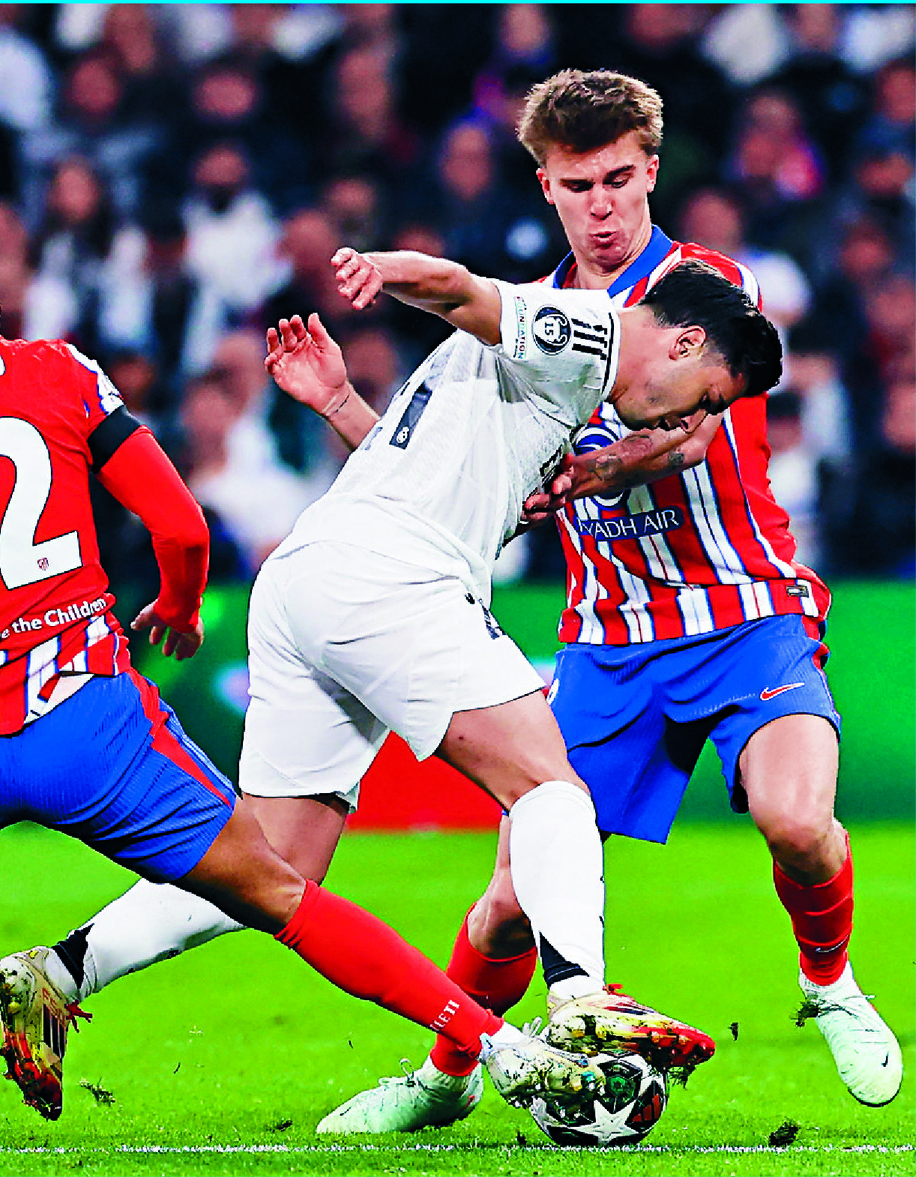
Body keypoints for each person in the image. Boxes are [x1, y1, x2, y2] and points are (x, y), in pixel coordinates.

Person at [0, 234, 782, 1122]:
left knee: (277, 861)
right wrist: (381, 267)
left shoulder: (553, 395)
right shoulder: (591, 330)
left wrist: (336, 399)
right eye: (703, 397)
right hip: (389, 579)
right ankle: (580, 1002)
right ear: (683, 344)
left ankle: (58, 971)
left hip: (310, 578)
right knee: (549, 787)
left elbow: (409, 469)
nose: (678, 421)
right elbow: (459, 287)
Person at [309, 69, 903, 1130]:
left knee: (797, 820)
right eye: (577, 183)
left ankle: (829, 982)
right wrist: (345, 403)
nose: (601, 204)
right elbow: (437, 474)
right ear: (545, 185)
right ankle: (446, 1074)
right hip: (604, 642)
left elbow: (701, 420)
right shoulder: (526, 329)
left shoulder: (709, 287)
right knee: (505, 902)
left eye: (619, 179)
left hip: (744, 610)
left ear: (651, 172)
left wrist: (621, 460)